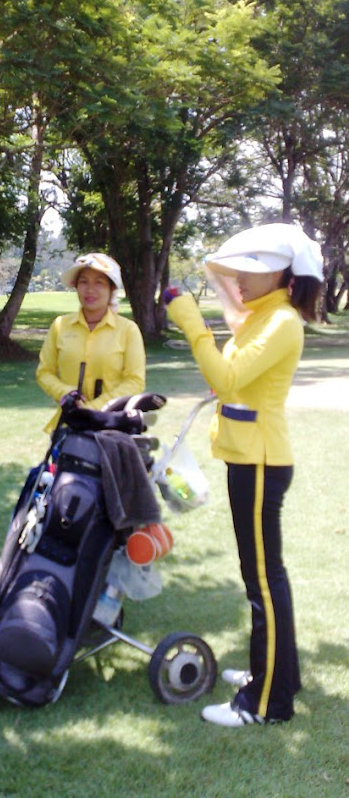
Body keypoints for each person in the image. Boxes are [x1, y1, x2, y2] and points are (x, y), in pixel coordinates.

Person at [164, 223, 324, 727]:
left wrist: (191, 323)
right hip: (249, 459)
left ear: (282, 275)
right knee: (264, 578)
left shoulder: (282, 321)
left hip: (260, 464)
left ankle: (267, 703)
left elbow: (227, 377)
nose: (238, 280)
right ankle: (276, 676)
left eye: (251, 271)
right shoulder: (261, 318)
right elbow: (233, 383)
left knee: (263, 584)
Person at [36, 253, 146, 433]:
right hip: (69, 425)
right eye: (84, 282)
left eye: (99, 283)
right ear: (76, 286)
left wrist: (94, 407)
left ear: (111, 289)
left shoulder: (128, 330)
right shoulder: (60, 326)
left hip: (113, 426)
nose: (90, 290)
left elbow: (135, 381)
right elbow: (44, 372)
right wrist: (65, 392)